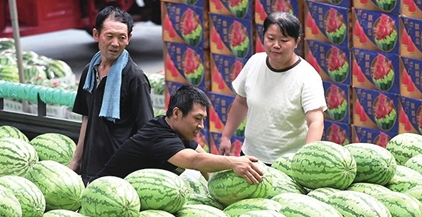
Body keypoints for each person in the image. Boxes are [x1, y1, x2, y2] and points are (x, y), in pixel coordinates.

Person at [94, 85, 264, 183]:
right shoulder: (158, 136)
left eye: (203, 119)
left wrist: (217, 194)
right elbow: (194, 161)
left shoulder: (179, 131)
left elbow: (203, 160)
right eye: (197, 118)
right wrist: (234, 162)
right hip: (106, 194)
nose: (201, 126)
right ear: (176, 113)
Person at [218, 12, 326, 164]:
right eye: (271, 38)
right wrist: (226, 136)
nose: (276, 45)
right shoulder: (254, 62)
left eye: (284, 40)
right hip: (250, 158)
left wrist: (306, 159)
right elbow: (241, 102)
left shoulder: (308, 76)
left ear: (296, 42)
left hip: (288, 163)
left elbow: (316, 121)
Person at [69, 6, 154, 183]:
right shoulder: (89, 72)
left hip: (120, 173)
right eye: (109, 36)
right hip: (90, 167)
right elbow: (87, 118)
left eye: (121, 37)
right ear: (96, 34)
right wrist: (77, 161)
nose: (115, 43)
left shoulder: (135, 78)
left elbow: (146, 130)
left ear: (129, 38)